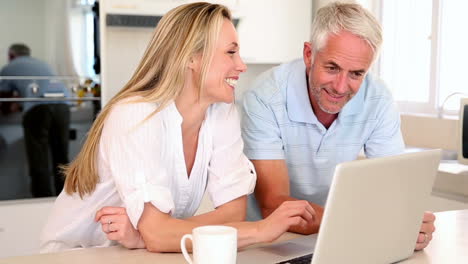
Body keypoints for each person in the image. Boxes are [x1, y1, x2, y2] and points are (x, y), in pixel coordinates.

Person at [40, 2, 315, 253]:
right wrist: (261, 229)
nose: (241, 65)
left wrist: (151, 234)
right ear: (191, 58)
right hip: (77, 254)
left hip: (139, 253)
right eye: (230, 52)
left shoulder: (221, 112)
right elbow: (162, 234)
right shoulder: (137, 113)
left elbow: (233, 214)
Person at [241, 2, 435, 251]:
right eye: (332, 68)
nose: (341, 87)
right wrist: (370, 222)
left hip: (335, 237)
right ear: (309, 55)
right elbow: (275, 204)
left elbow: (395, 191)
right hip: (267, 243)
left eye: (356, 74)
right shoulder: (265, 96)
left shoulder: (377, 98)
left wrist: (410, 224)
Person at [0, 43, 70, 197]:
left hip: (38, 109)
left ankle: (41, 200)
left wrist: (15, 104)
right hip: (63, 107)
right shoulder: (42, 64)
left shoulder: (9, 67)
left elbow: (4, 103)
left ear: (11, 55)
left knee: (39, 160)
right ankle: (66, 199)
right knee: (62, 159)